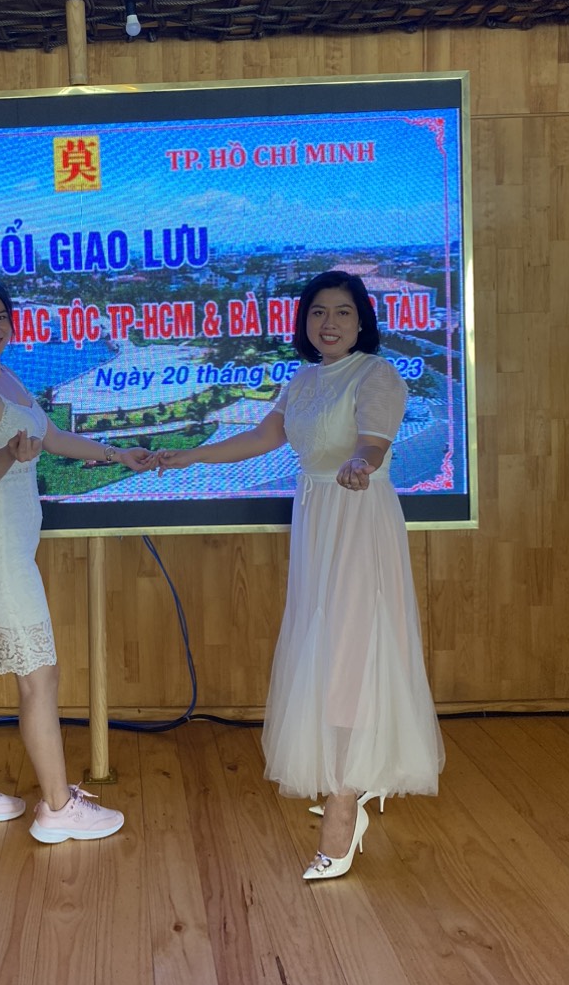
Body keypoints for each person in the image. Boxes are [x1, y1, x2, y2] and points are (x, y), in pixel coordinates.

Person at [158, 270, 444, 879]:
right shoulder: (304, 379)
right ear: (304, 321)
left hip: (358, 519)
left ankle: (344, 802)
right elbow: (265, 436)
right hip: (316, 518)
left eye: (342, 312)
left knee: (352, 650)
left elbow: (373, 444)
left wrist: (361, 465)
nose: (329, 323)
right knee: (325, 647)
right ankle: (349, 777)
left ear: (362, 320)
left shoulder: (377, 375)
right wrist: (188, 456)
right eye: (318, 312)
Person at [0, 273, 151, 843]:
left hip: (3, 556)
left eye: (0, 317)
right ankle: (57, 807)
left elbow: (53, 438)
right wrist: (9, 454)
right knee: (41, 678)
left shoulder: (6, 378)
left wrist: (117, 454)